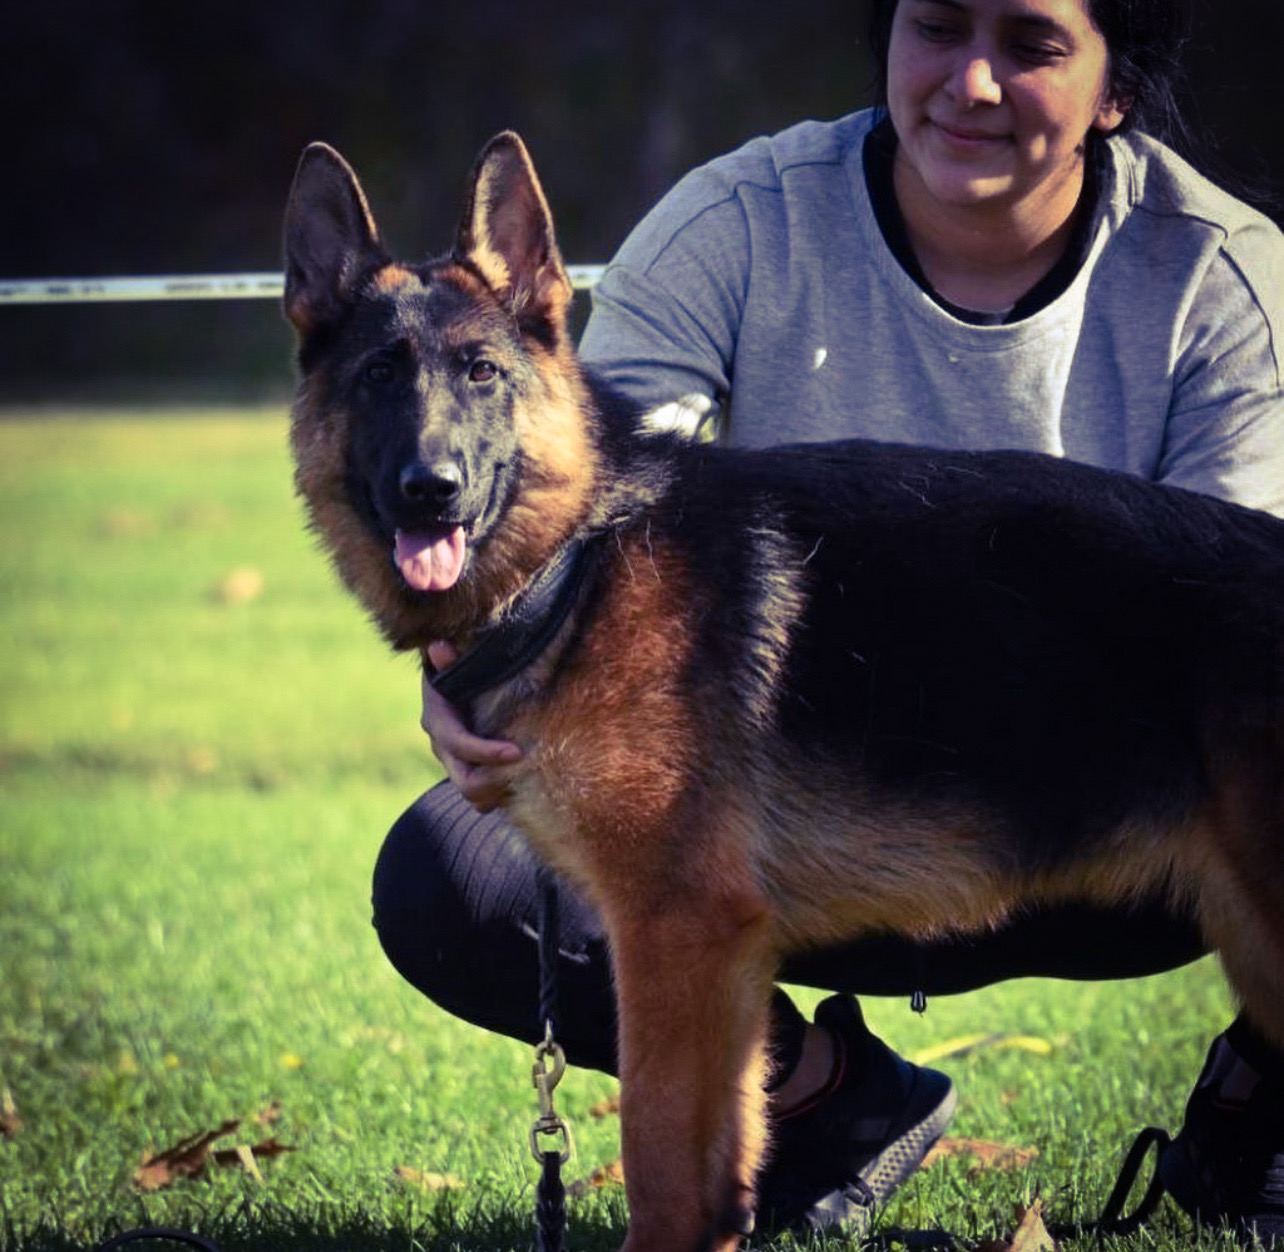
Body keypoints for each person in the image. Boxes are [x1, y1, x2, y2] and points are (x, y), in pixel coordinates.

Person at [375, 0, 1284, 1238]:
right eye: (937, 26)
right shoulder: (735, 219)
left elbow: (1225, 611)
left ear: (1116, 88)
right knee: (459, 872)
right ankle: (827, 1105)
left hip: (1106, 818)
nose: (970, 82)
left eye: (1031, 42)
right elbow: (572, 500)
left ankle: (1253, 1113)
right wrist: (465, 661)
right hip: (790, 826)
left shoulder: (1224, 272)